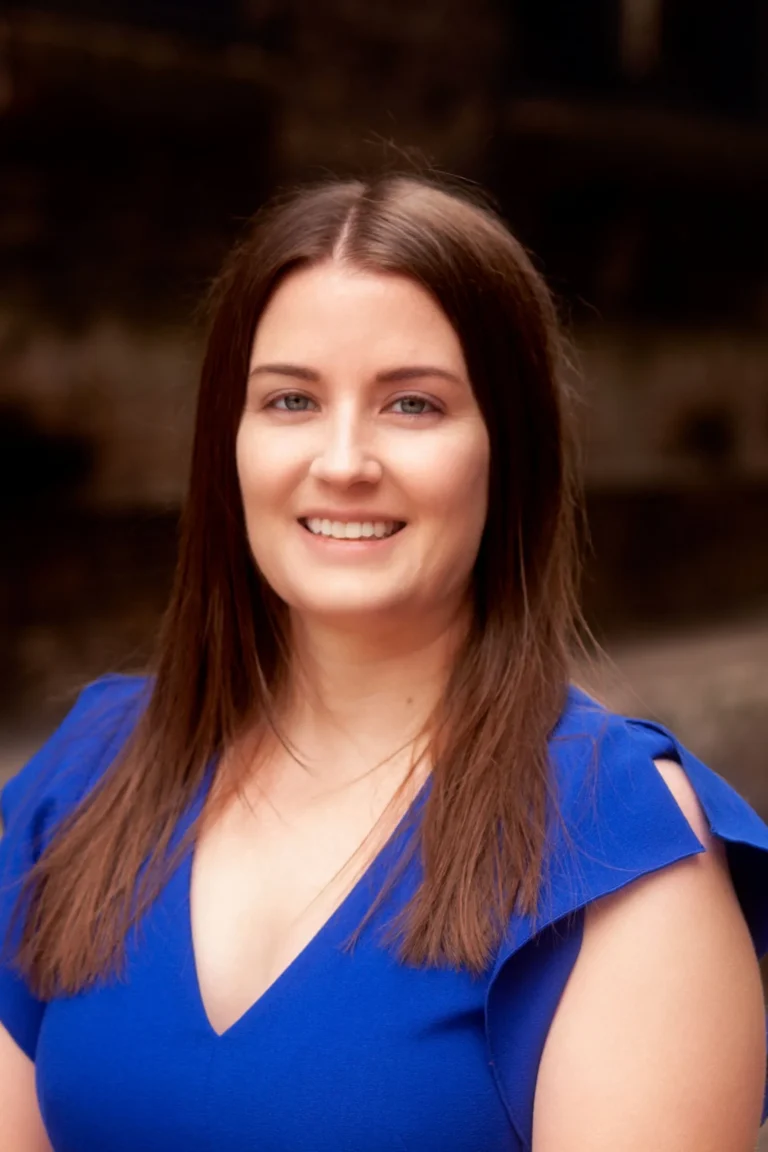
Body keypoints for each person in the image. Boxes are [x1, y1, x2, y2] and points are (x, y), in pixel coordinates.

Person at [1, 173, 767, 1152]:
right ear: (226, 444)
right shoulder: (89, 775)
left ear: (508, 450)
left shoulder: (616, 843)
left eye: (412, 405)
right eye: (290, 400)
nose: (344, 459)